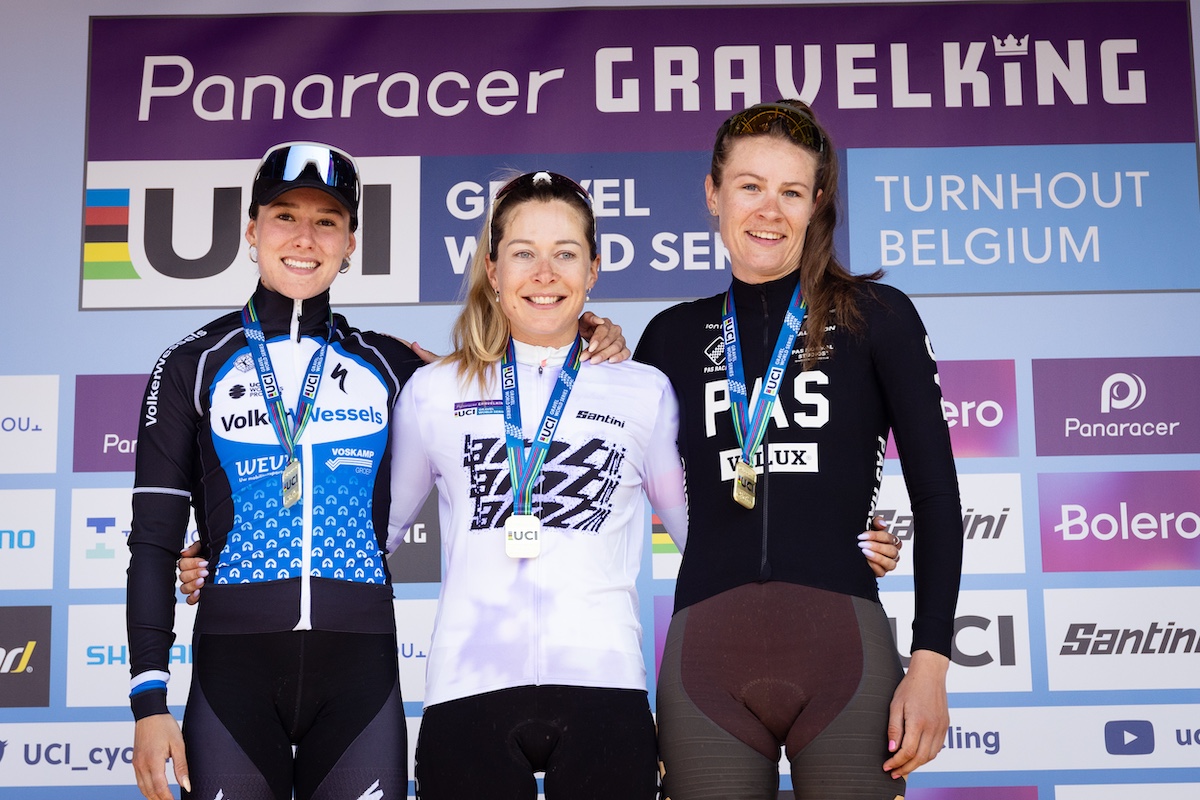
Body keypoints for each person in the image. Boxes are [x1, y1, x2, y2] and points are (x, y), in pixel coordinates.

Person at [173, 167, 903, 798]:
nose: (544, 273)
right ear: (493, 269)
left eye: (565, 255)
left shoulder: (642, 388)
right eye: (523, 253)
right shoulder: (432, 390)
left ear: (592, 271)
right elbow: (370, 535)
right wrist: (234, 552)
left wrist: (829, 541)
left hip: (607, 687)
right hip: (467, 687)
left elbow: (710, 533)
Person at [126, 144, 630, 800]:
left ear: (351, 243)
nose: (304, 238)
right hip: (234, 677)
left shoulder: (394, 366)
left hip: (359, 678)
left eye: (327, 221)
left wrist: (588, 327)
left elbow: (520, 380)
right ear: (253, 231)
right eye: (285, 216)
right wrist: (149, 702)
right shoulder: (192, 364)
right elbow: (153, 543)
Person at [634, 101, 962, 800]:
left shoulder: (878, 316)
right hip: (705, 660)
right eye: (750, 185)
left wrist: (930, 663)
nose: (769, 210)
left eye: (791, 191)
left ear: (818, 203)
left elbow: (936, 497)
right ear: (713, 193)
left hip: (843, 650)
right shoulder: (666, 337)